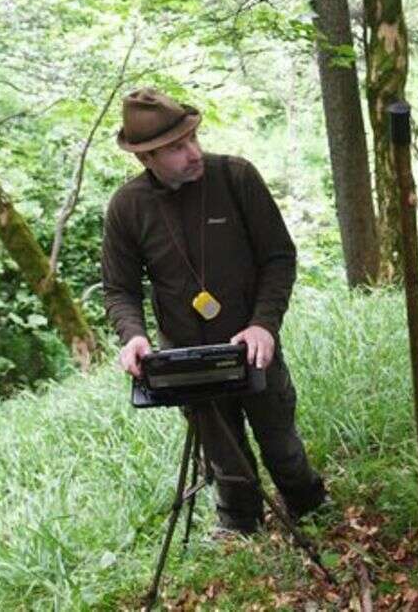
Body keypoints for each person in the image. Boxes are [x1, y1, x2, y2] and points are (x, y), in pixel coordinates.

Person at [102, 87, 327, 536]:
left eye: (194, 139)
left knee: (280, 444)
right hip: (186, 359)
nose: (193, 153)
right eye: (176, 148)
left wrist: (264, 325)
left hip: (252, 348)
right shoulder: (127, 207)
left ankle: (312, 510)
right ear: (146, 158)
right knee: (224, 457)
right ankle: (241, 527)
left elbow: (279, 258)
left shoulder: (236, 177)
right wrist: (133, 335)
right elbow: (119, 289)